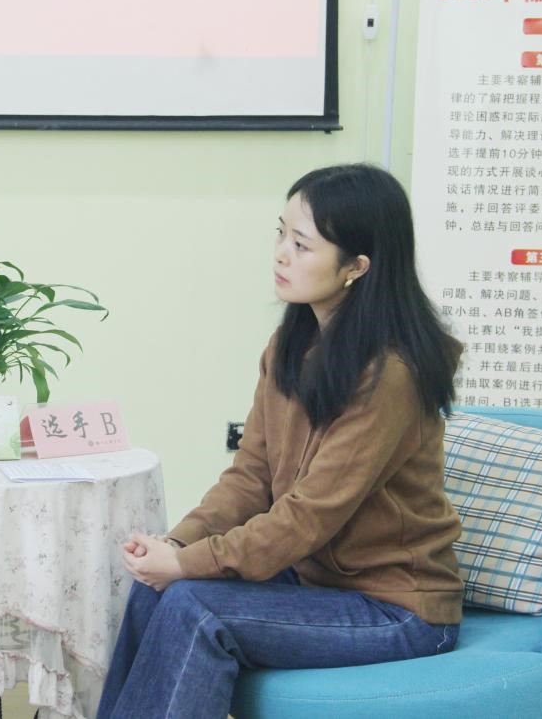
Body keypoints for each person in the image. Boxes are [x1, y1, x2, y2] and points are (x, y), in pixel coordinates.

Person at [97, 164, 464, 719]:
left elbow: (310, 516)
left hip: (397, 608)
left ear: (357, 267)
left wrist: (190, 564)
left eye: (301, 244)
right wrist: (177, 543)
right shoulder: (290, 346)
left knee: (195, 605)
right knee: (156, 589)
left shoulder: (392, 373)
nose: (280, 255)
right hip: (316, 580)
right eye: (281, 234)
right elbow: (251, 476)